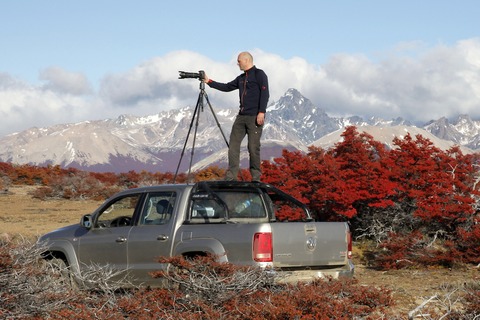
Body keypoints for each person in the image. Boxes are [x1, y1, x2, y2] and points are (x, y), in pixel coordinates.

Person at [203, 52, 269, 181]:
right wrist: (209, 81)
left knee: (253, 147)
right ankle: (231, 176)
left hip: (254, 117)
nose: (237, 63)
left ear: (246, 60)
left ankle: (256, 177)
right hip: (241, 117)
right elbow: (227, 87)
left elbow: (265, 93)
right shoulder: (241, 78)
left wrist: (261, 112)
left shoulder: (259, 74)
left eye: (239, 61)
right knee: (233, 146)